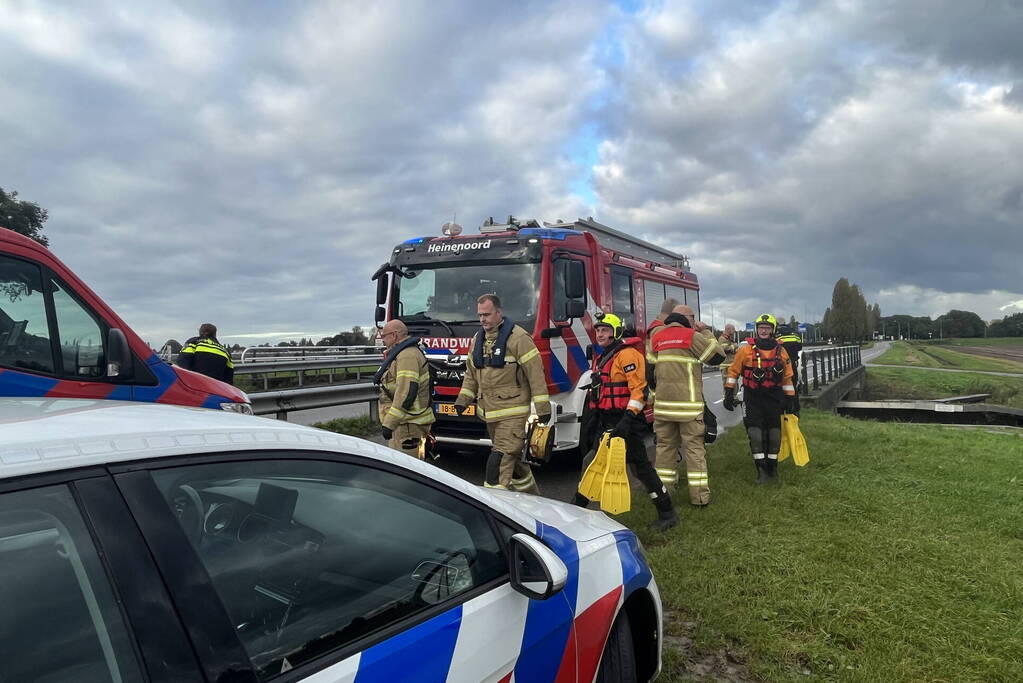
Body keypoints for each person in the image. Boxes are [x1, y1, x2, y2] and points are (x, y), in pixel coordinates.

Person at [574, 312, 678, 531]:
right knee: (593, 462)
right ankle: (577, 510)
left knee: (641, 469)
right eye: (598, 330)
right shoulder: (603, 356)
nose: (599, 334)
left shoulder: (628, 355)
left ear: (616, 333)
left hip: (625, 422)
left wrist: (627, 420)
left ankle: (667, 513)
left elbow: (639, 391)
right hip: (607, 421)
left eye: (604, 330)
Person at [454, 294, 547, 494]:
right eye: (480, 315)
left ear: (499, 312)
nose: (482, 319)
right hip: (491, 414)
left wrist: (543, 409)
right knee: (515, 465)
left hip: (513, 414)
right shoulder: (478, 339)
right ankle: (535, 503)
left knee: (497, 466)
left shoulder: (519, 338)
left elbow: (536, 374)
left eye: (487, 314)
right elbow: (471, 373)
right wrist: (463, 399)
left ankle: (494, 508)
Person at [648, 307, 725, 504]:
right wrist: (706, 331)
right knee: (694, 450)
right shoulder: (691, 336)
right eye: (694, 318)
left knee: (664, 450)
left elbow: (650, 373)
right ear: (688, 319)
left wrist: (654, 399)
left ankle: (665, 495)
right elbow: (718, 356)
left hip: (663, 407)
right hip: (688, 408)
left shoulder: (656, 337)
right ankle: (699, 498)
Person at [723, 314, 797, 483]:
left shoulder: (782, 351)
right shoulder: (745, 350)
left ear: (773, 330)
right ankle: (761, 470)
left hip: (774, 398)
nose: (764, 331)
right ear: (757, 330)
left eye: (767, 328)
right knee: (756, 434)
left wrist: (791, 399)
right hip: (753, 397)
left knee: (775, 435)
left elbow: (787, 377)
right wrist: (729, 393)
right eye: (761, 328)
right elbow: (733, 372)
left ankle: (773, 468)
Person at [373, 319, 435, 457]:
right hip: (405, 423)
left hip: (408, 424)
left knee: (408, 468)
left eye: (384, 336)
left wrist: (389, 423)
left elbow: (406, 393)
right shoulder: (404, 353)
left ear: (394, 335)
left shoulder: (407, 356)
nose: (383, 340)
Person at [775, 323, 804, 412]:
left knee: (778, 386)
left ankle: (779, 410)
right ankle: (794, 409)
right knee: (792, 386)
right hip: (792, 362)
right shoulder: (794, 334)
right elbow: (800, 347)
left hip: (778, 364)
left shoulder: (775, 334)